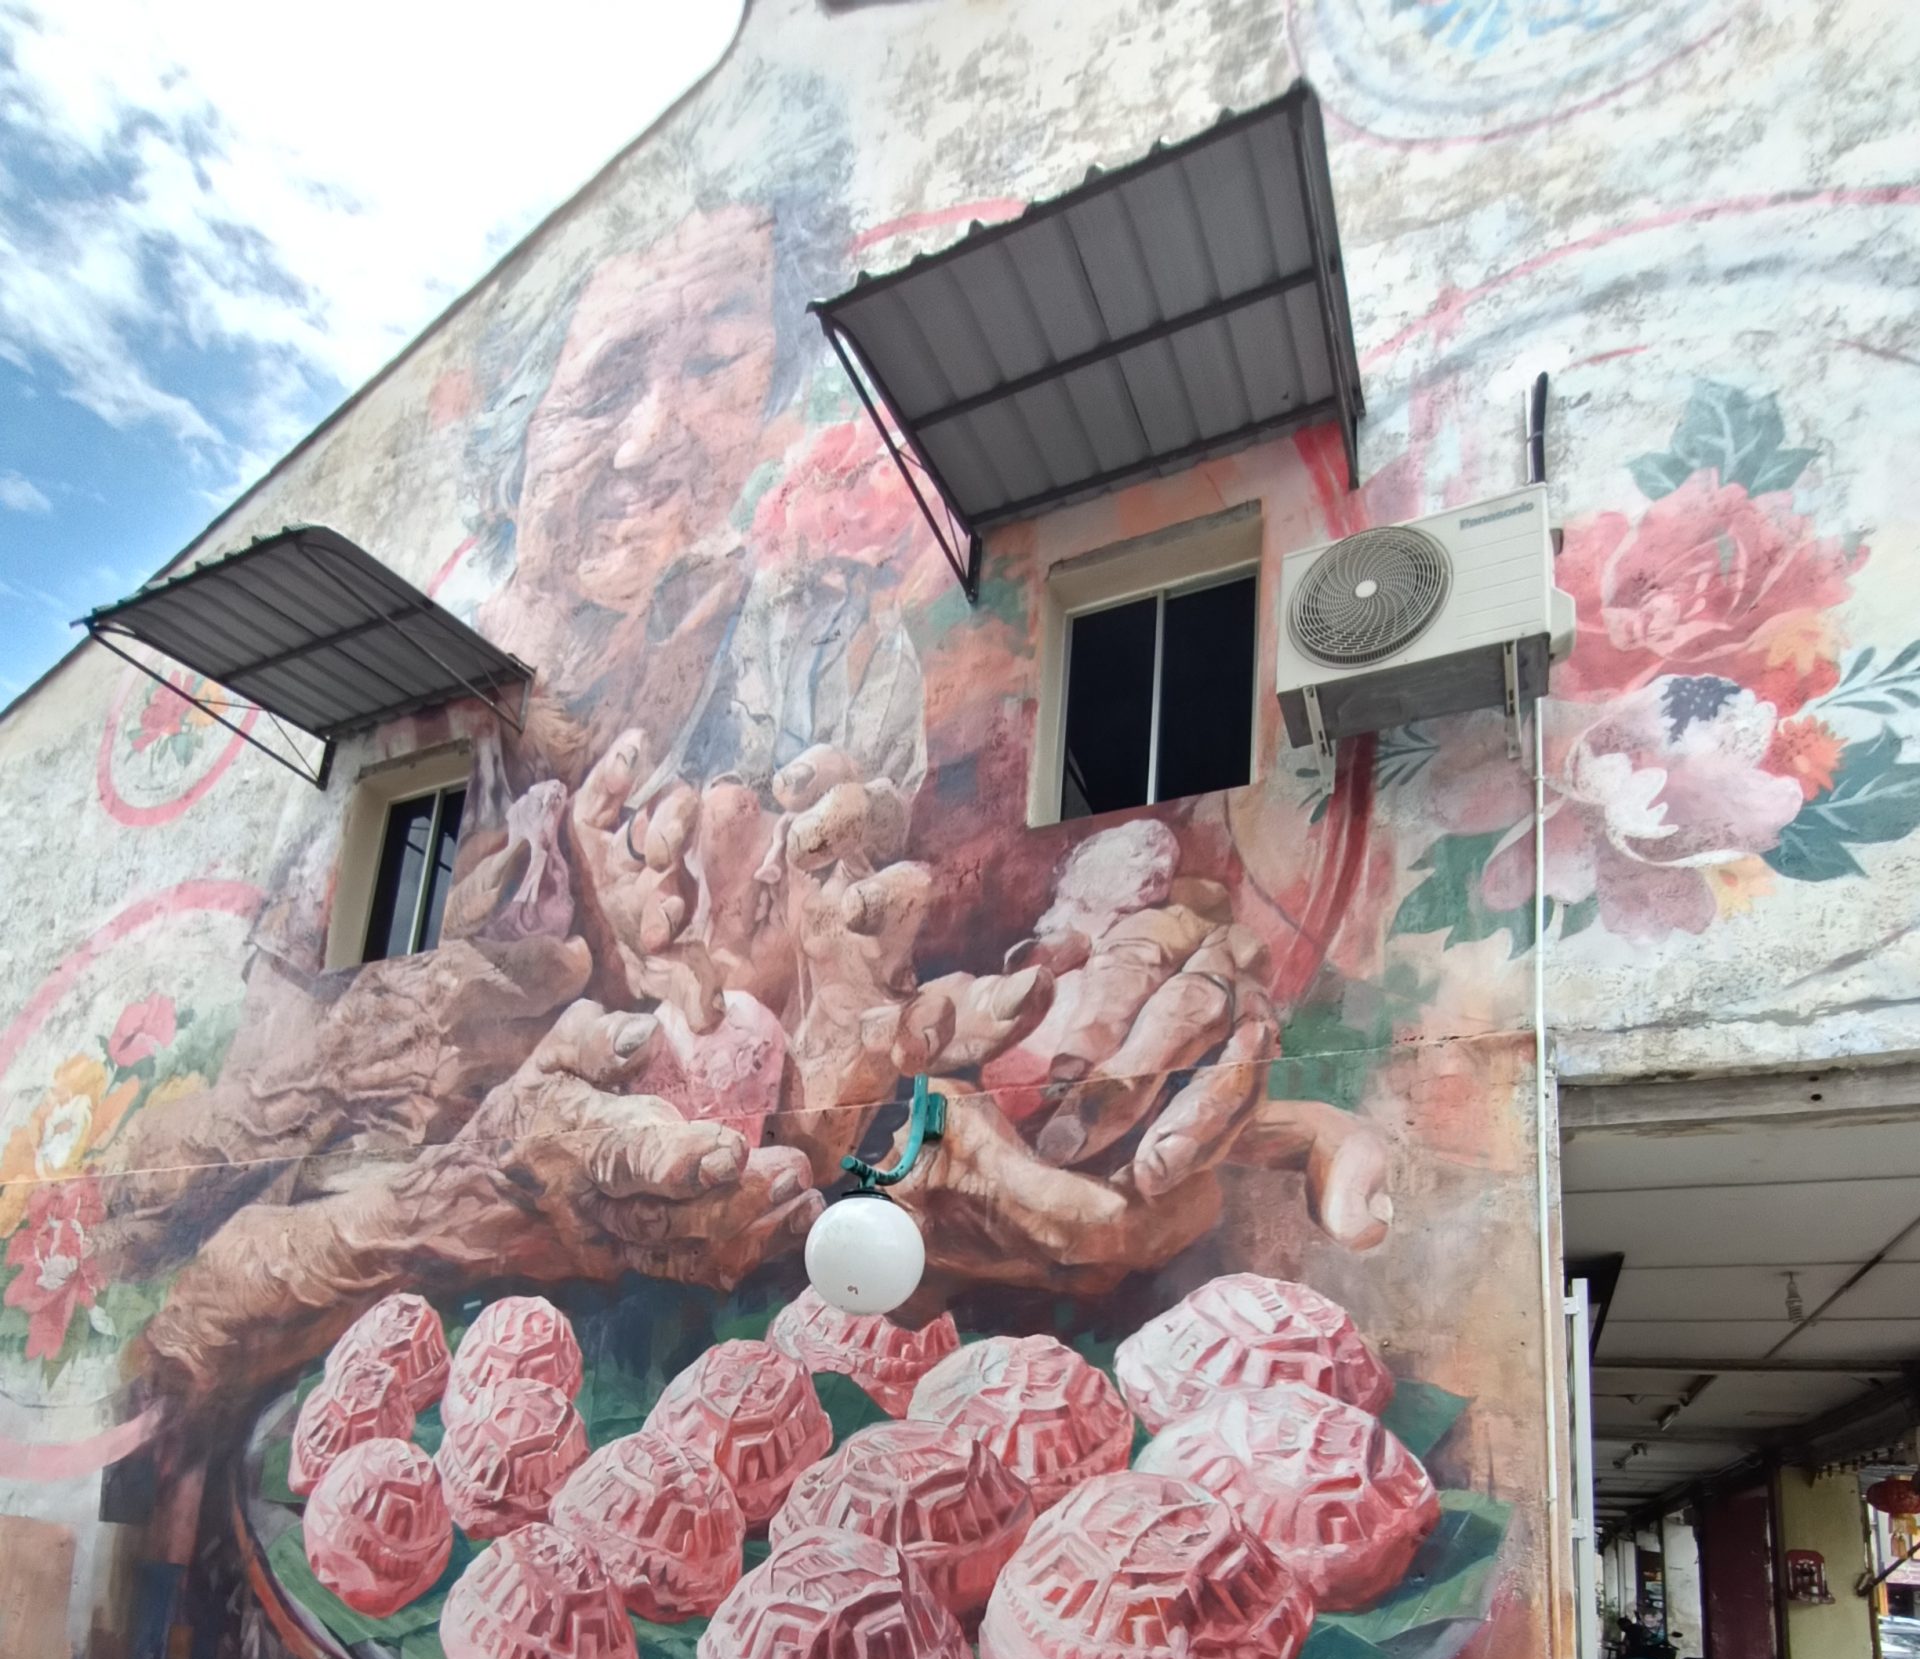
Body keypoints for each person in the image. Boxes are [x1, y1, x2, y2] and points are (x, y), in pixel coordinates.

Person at [108, 197, 1392, 1413]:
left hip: (724, 1372)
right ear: (509, 443)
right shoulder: (395, 777)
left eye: (721, 367)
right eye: (606, 385)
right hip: (390, 1423)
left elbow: (873, 1064)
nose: (655, 437)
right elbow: (174, 1230)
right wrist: (462, 1182)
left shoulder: (806, 642)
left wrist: (1122, 1026)